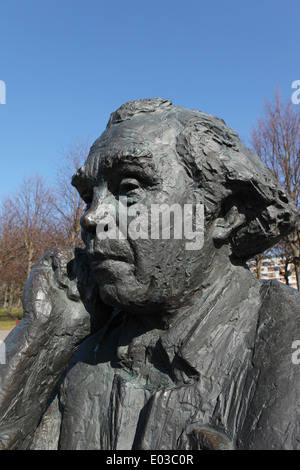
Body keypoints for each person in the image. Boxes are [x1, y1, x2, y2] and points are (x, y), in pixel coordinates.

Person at [0, 99, 299, 450]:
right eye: (88, 196)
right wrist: (46, 339)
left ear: (224, 215)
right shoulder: (86, 347)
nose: (92, 217)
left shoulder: (284, 347)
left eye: (129, 188)